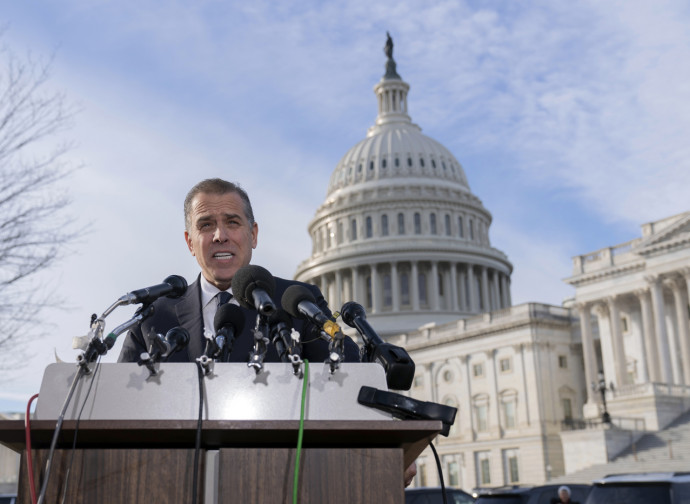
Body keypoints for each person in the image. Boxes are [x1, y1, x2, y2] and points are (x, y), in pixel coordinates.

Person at [117, 178, 360, 364]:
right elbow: (121, 403)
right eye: (206, 225)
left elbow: (350, 368)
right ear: (190, 242)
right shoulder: (153, 318)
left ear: (253, 235)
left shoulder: (298, 303)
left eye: (232, 223)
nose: (220, 236)